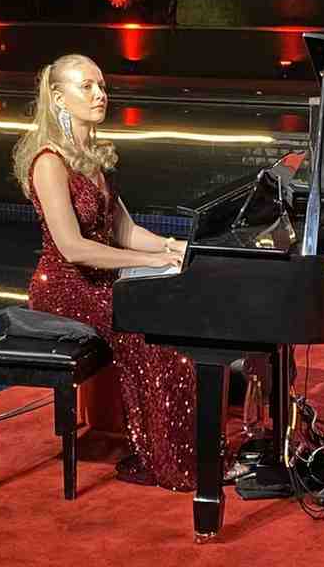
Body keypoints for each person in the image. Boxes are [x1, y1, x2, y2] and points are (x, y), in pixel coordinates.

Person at [12, 54, 195, 491]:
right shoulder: (49, 161)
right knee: (149, 332)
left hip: (99, 280)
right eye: (87, 87)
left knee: (171, 314)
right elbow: (72, 248)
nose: (100, 95)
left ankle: (181, 444)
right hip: (64, 286)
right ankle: (163, 456)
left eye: (101, 86)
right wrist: (152, 263)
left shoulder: (90, 158)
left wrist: (177, 247)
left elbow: (125, 230)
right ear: (57, 96)